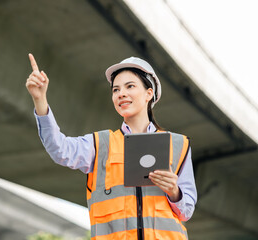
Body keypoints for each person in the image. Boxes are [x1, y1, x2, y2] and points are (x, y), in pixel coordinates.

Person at [26, 53, 197, 240]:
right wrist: (40, 99)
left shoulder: (178, 145)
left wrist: (175, 192)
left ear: (149, 93)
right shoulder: (100, 145)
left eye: (130, 86)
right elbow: (60, 149)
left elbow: (186, 211)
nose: (121, 93)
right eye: (115, 90)